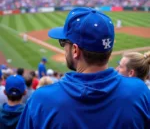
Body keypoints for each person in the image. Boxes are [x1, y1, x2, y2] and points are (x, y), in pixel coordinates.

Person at [17, 7, 150, 129]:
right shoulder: (140, 92)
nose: (63, 47)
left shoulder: (41, 101)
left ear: (75, 50)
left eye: (63, 42)